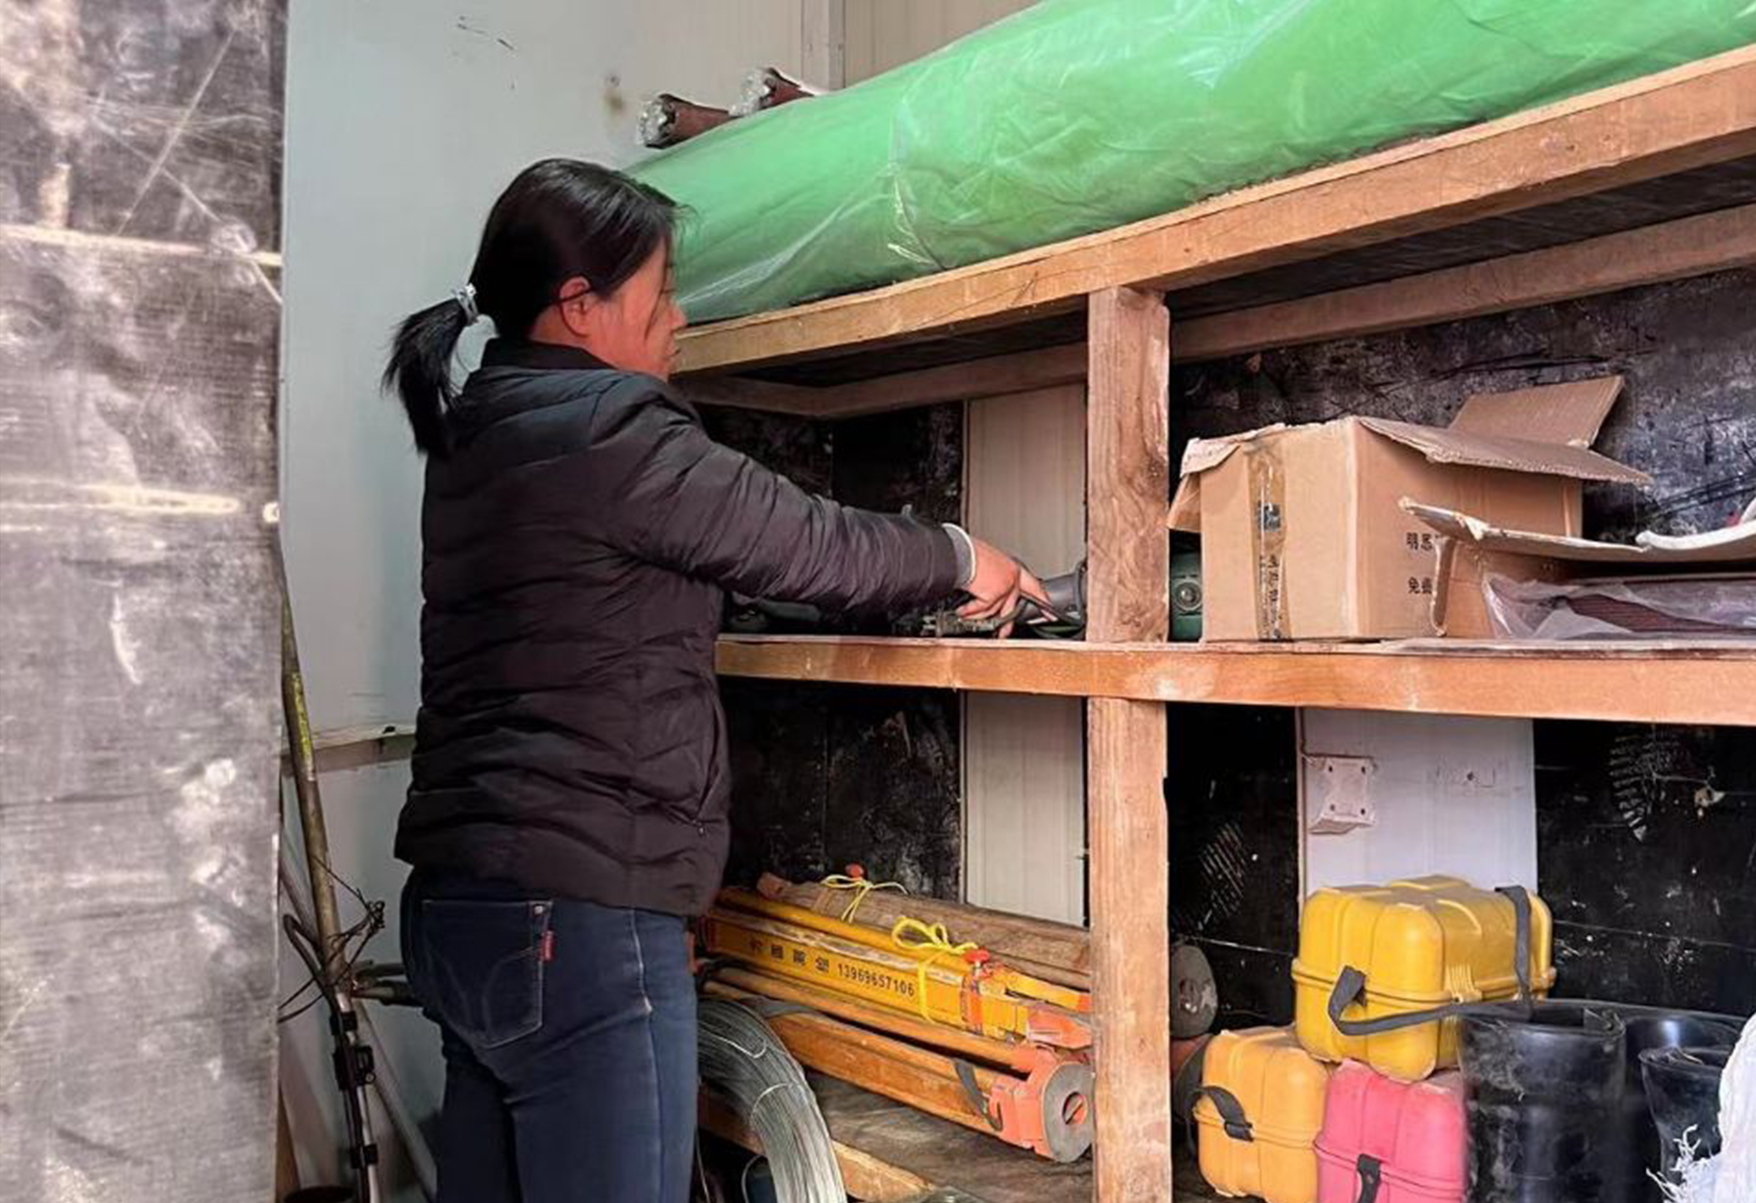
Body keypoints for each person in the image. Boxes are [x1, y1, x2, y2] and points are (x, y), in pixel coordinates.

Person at [383, 158, 1044, 1203]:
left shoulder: (480, 430)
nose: (680, 317)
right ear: (580, 306)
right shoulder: (609, 430)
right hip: (579, 914)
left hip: (460, 906)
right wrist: (965, 556)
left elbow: (603, 596)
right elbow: (811, 542)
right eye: (660, 292)